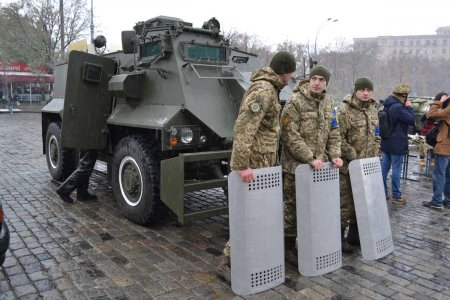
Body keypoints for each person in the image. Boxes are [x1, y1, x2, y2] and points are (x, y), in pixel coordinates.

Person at [216, 51, 296, 283]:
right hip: (254, 164)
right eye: (291, 71)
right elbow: (244, 126)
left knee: (259, 213)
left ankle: (249, 257)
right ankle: (226, 263)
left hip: (264, 162)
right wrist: (241, 165)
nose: (291, 76)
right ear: (285, 71)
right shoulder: (263, 90)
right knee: (248, 214)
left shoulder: (271, 89)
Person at [280, 65, 342, 265]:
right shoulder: (295, 101)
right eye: (314, 78)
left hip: (319, 167)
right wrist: (309, 157)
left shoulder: (329, 102)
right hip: (295, 167)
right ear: (309, 80)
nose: (317, 82)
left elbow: (334, 131)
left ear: (326, 83)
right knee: (293, 208)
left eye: (321, 80)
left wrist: (335, 155)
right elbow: (290, 134)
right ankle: (287, 247)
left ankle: (307, 242)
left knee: (313, 207)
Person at [337, 77, 379, 253]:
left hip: (366, 167)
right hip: (348, 166)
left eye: (368, 90)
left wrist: (375, 151)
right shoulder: (345, 110)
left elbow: (376, 134)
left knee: (361, 201)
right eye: (362, 89)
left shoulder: (372, 110)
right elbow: (337, 137)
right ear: (356, 91)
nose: (366, 93)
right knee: (345, 203)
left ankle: (354, 235)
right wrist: (352, 155)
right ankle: (338, 238)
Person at [380, 83, 415, 204]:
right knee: (396, 170)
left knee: (384, 169)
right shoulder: (398, 107)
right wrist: (409, 107)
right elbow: (411, 120)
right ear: (403, 95)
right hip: (397, 143)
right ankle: (396, 195)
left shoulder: (387, 104)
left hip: (387, 141)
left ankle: (382, 192)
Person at [422, 92, 450, 210]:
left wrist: (439, 102)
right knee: (448, 175)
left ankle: (437, 201)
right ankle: (448, 200)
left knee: (439, 174)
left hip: (444, 146)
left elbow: (431, 114)